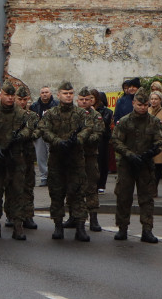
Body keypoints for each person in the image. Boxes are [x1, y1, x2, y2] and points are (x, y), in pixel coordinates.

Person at [0, 81, 32, 240]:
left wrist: (20, 137)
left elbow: (29, 129)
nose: (10, 98)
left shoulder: (21, 114)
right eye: (7, 95)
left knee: (17, 193)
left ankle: (18, 225)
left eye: (12, 96)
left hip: (16, 159)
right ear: (0, 95)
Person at [40, 81, 91, 241]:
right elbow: (44, 129)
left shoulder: (81, 113)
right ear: (58, 95)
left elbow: (88, 128)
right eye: (65, 93)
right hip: (57, 159)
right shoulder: (51, 113)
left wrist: (77, 140)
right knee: (56, 193)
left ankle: (81, 227)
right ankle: (58, 226)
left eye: (70, 93)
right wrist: (58, 141)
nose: (68, 96)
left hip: (75, 159)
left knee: (78, 193)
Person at [112, 89, 162, 242]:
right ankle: (122, 228)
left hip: (145, 165)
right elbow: (116, 141)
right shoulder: (124, 121)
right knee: (123, 196)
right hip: (127, 165)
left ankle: (147, 230)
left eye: (145, 105)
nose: (142, 107)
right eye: (139, 104)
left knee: (147, 198)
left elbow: (160, 140)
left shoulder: (153, 122)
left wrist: (152, 152)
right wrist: (129, 154)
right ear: (134, 103)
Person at [74, 87, 106, 232]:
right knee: (73, 188)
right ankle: (73, 217)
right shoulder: (73, 114)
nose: (84, 102)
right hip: (74, 157)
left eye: (87, 99)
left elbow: (98, 134)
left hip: (90, 156)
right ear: (77, 100)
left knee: (91, 187)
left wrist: (83, 139)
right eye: (82, 99)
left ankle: (93, 219)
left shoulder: (96, 116)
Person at [13, 86, 39, 231]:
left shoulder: (32, 116)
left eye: (25, 99)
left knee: (28, 186)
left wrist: (30, 135)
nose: (22, 102)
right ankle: (13, 215)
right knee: (12, 186)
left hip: (28, 155)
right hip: (13, 155)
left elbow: (39, 129)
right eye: (20, 99)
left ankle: (28, 215)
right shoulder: (11, 115)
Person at [31, 86, 57, 186]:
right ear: (40, 94)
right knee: (40, 156)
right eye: (42, 92)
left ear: (50, 93)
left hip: (52, 133)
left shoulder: (56, 105)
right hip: (39, 134)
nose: (44, 94)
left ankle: (53, 176)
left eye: (46, 92)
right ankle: (43, 177)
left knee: (53, 155)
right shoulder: (34, 106)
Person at [147, 90, 162, 189]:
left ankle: (154, 188)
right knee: (148, 168)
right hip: (147, 143)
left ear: (160, 100)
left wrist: (161, 136)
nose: (153, 101)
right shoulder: (146, 110)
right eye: (152, 99)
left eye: (156, 99)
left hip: (159, 143)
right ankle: (148, 188)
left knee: (158, 167)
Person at [94, 90, 114, 192]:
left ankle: (101, 184)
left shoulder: (107, 111)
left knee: (102, 161)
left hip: (103, 139)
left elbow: (104, 122)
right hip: (91, 139)